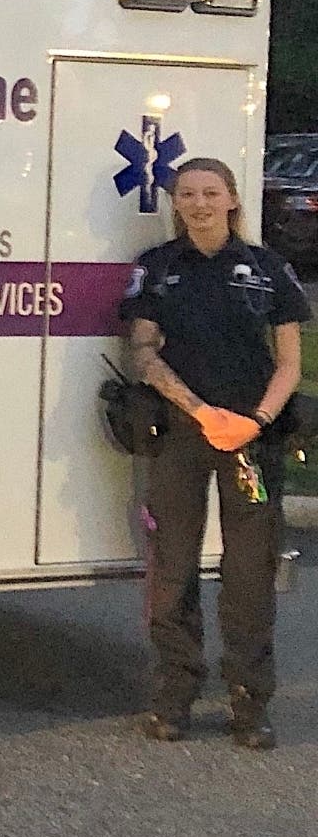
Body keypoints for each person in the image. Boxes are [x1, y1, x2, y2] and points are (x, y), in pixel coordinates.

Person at [120, 156, 310, 751]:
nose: (199, 203)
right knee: (172, 567)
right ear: (175, 203)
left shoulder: (268, 270)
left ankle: (250, 704)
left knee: (249, 575)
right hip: (180, 435)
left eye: (211, 192)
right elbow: (144, 355)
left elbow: (289, 363)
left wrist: (254, 422)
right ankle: (173, 695)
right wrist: (204, 414)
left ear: (232, 199)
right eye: (187, 193)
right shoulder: (156, 269)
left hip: (251, 443)